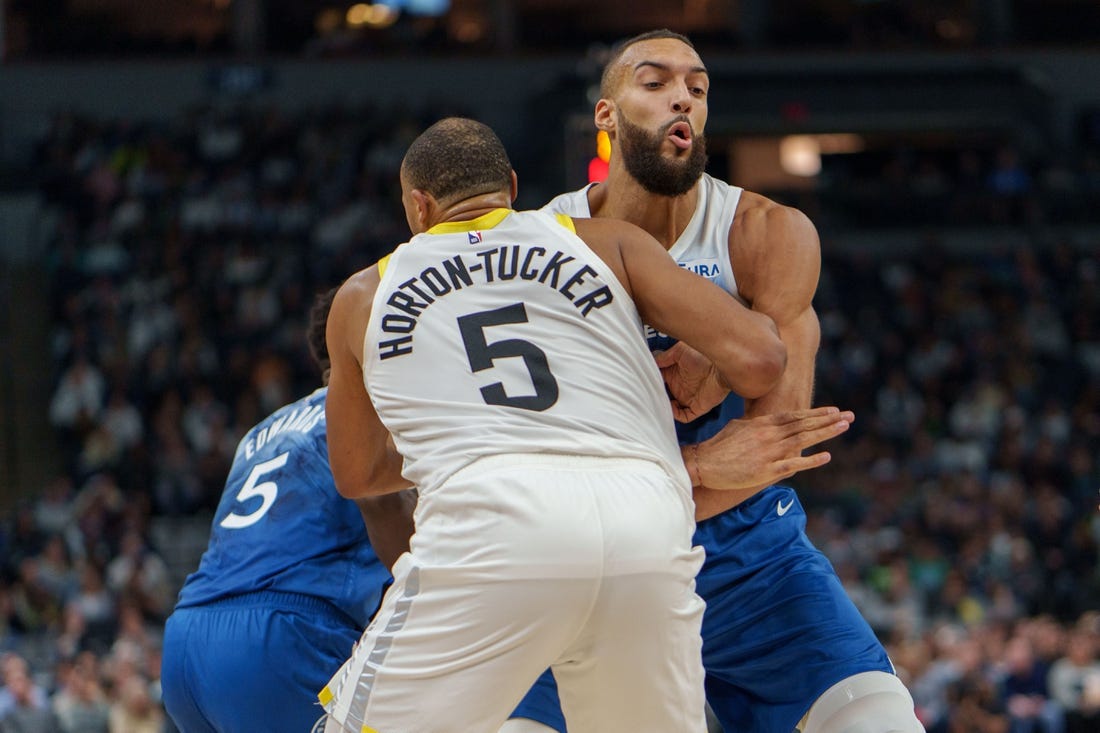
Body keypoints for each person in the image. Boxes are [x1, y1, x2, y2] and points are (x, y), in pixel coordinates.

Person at [317, 117, 854, 733]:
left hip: (494, 520)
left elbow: (356, 474)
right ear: (513, 187)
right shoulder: (606, 241)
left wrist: (454, 445)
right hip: (648, 519)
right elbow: (762, 355)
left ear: (418, 206)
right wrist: (713, 369)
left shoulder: (361, 294)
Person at [524, 28, 925, 733]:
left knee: (881, 722)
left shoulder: (767, 233)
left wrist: (728, 340)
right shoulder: (539, 243)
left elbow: (770, 452)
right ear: (606, 114)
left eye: (698, 87)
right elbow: (532, 469)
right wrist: (698, 463)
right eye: (654, 82)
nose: (682, 95)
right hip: (591, 563)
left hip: (746, 554)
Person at [160, 288, 410, 733]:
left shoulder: (261, 429)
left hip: (187, 641)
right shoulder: (372, 412)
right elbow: (380, 504)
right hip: (280, 638)